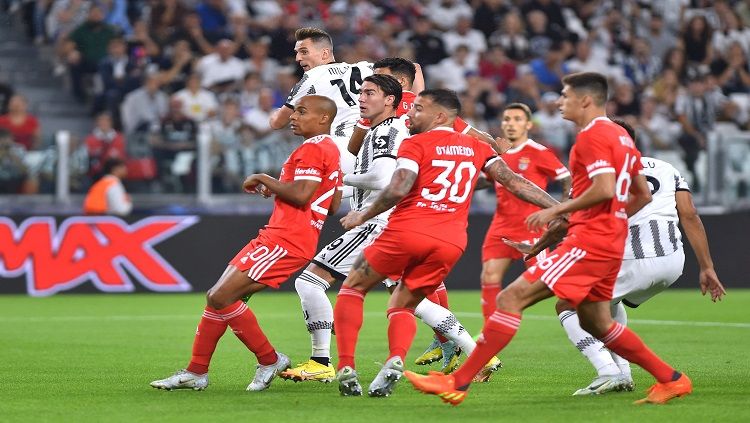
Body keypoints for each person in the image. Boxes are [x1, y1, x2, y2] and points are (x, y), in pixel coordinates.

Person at [406, 72, 692, 406]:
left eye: (566, 95)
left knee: (511, 299)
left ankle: (458, 382)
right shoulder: (620, 135)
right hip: (609, 242)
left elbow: (602, 189)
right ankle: (672, 379)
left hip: (589, 243)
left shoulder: (591, 137)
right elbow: (639, 194)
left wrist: (557, 212)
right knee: (597, 321)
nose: (559, 101)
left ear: (585, 100)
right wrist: (601, 221)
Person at [332, 89, 561, 397]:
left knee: (353, 286)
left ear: (440, 116)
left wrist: (364, 214)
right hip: (450, 242)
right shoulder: (476, 147)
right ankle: (395, 360)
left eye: (418, 109)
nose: (410, 114)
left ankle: (346, 366)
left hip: (407, 231)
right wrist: (559, 209)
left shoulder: (415, 143)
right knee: (403, 303)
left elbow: (399, 187)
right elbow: (513, 181)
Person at [278, 75, 498, 385]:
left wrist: (339, 177)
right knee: (409, 300)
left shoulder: (388, 131)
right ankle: (477, 354)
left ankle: (321, 361)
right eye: (361, 92)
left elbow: (383, 179)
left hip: (377, 223)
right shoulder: (384, 130)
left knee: (311, 281)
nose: (361, 98)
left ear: (390, 101)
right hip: (402, 224)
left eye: (370, 93)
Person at [507, 120, 726, 396]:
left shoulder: (597, 174)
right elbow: (690, 215)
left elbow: (566, 222)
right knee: (607, 304)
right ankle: (622, 374)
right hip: (673, 261)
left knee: (567, 305)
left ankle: (607, 370)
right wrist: (707, 267)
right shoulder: (666, 168)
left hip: (634, 257)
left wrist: (537, 247)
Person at [150, 95, 343, 392]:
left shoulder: (314, 149)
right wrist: (279, 190)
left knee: (219, 297)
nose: (293, 116)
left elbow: (303, 195)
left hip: (286, 238)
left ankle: (269, 359)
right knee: (220, 299)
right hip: (283, 235)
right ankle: (196, 371)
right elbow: (330, 203)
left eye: (301, 112)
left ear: (323, 119)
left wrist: (263, 177)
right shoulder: (329, 149)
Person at [477, 103, 571, 324]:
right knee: (489, 276)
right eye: (507, 119)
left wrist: (563, 209)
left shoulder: (538, 152)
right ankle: (489, 332)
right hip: (501, 224)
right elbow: (489, 180)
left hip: (533, 225)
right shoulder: (497, 155)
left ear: (528, 124)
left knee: (543, 279)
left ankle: (582, 306)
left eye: (517, 119)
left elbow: (566, 178)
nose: (511, 124)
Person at [269, 27, 373, 175]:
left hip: (339, 150)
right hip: (373, 146)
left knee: (298, 192)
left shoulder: (312, 78)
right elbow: (412, 69)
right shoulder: (365, 68)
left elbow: (277, 123)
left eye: (304, 52)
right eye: (297, 53)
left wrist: (275, 112)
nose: (298, 58)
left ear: (325, 53)